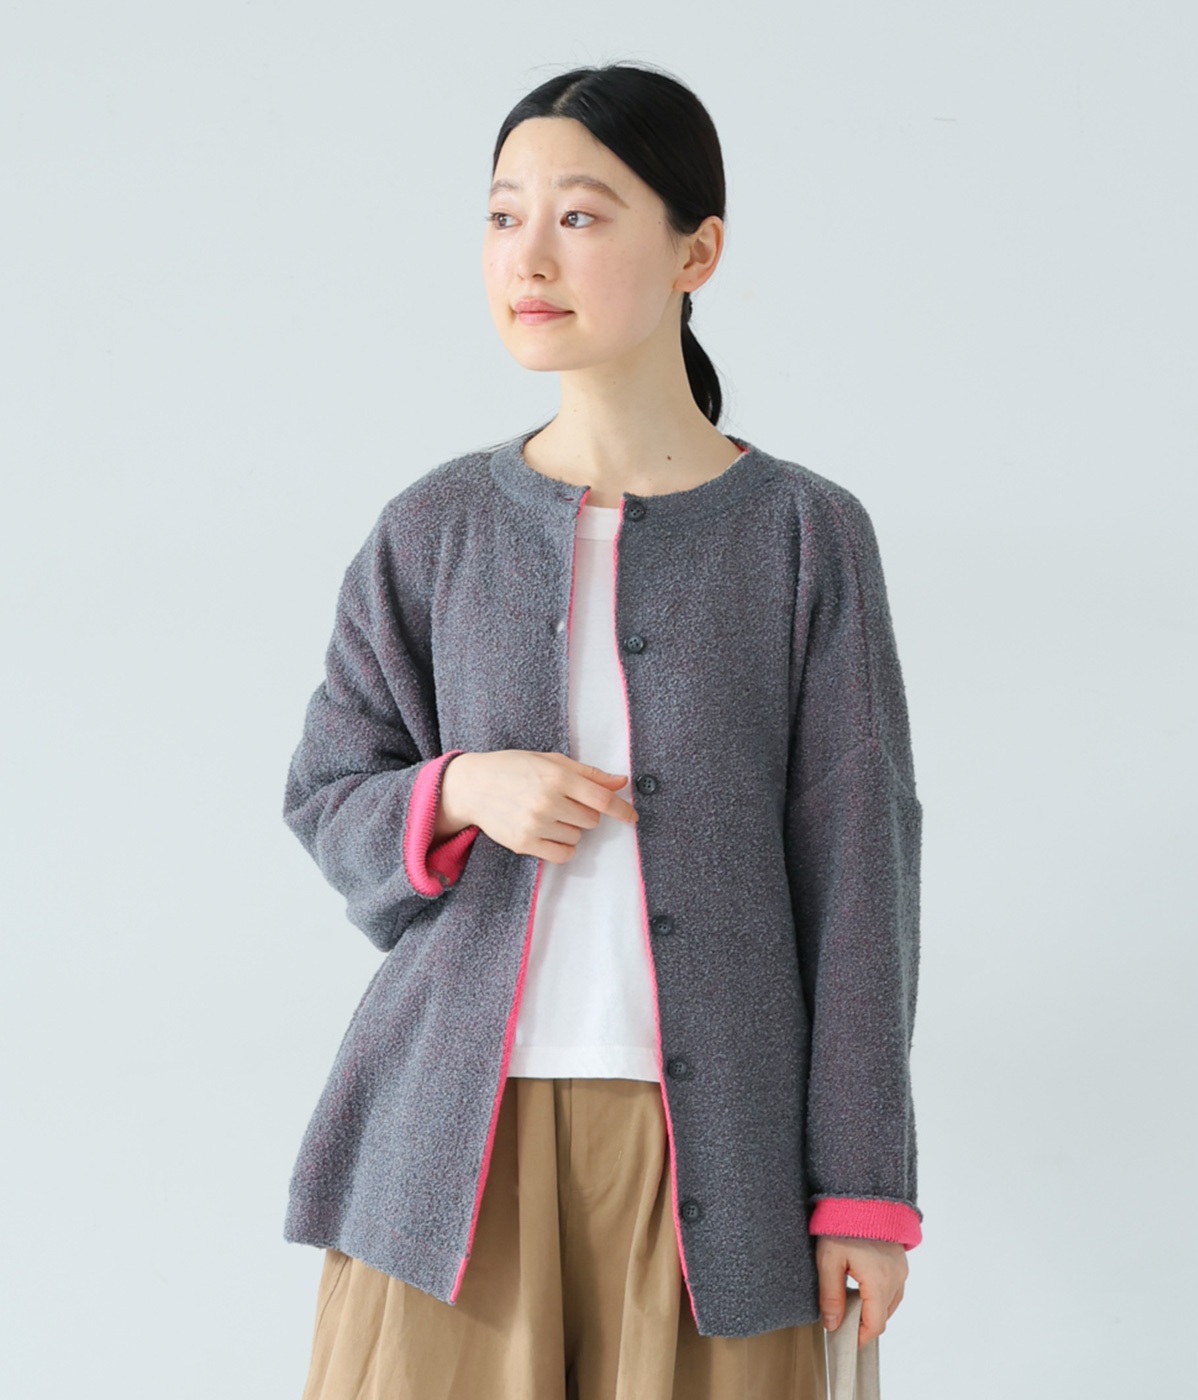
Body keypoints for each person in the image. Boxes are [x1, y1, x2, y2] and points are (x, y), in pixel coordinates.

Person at [284, 60, 923, 1400]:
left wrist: (864, 1188)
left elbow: (862, 871)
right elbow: (329, 791)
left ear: (698, 251)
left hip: (719, 1154)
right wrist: (463, 788)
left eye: (579, 215)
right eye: (503, 214)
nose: (528, 256)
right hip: (452, 1150)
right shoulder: (433, 529)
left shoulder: (805, 537)